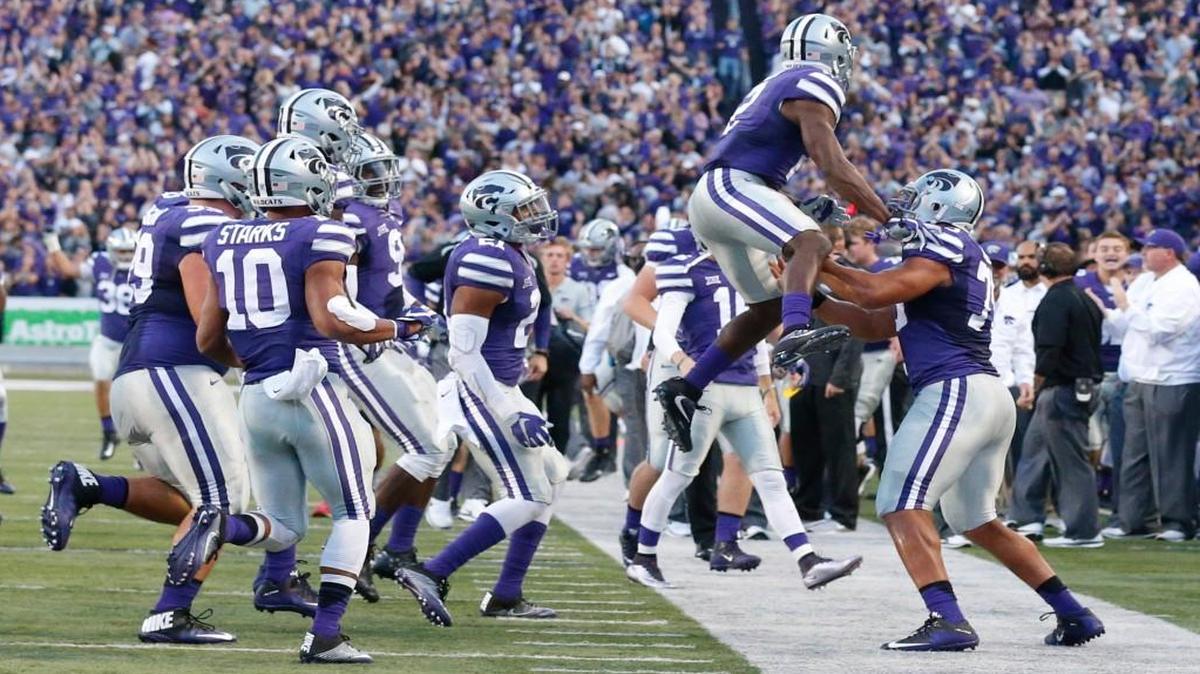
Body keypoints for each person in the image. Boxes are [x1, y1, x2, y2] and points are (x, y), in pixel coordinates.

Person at [39, 135, 318, 644]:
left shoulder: (172, 210)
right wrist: (257, 360)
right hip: (176, 372)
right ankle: (169, 614)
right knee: (220, 503)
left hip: (145, 375)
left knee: (188, 499)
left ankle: (90, 485)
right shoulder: (203, 223)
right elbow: (203, 317)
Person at [816, 169, 1104, 651]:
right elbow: (871, 320)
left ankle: (946, 619)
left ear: (937, 208)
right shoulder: (938, 262)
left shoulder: (946, 243)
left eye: (914, 200)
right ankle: (1074, 613)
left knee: (899, 501)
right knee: (978, 520)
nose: (902, 208)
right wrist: (814, 293)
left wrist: (822, 263)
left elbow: (871, 292)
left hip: (956, 390)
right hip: (981, 394)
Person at [186, 135, 410, 663]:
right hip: (314, 390)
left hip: (257, 395)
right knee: (356, 512)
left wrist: (260, 367)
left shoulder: (223, 238)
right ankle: (326, 634)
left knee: (283, 526)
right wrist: (396, 327)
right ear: (303, 180)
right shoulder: (322, 232)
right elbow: (334, 319)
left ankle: (222, 524)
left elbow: (207, 341)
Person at [655, 13, 891, 452]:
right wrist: (884, 217)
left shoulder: (778, 83)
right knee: (812, 243)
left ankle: (686, 388)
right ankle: (798, 330)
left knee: (766, 309)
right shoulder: (815, 80)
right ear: (831, 52)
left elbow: (767, 156)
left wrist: (801, 206)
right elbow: (831, 163)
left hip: (723, 194)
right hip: (731, 186)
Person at [626, 245, 861, 589]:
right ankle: (643, 558)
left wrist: (766, 385)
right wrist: (682, 362)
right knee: (678, 476)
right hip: (705, 386)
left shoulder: (753, 271)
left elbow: (758, 332)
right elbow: (662, 330)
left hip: (745, 387)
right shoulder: (686, 268)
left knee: (771, 479)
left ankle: (808, 561)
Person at [397, 170, 567, 626]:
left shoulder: (512, 254)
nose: (535, 215)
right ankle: (431, 571)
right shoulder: (485, 259)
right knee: (529, 493)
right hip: (480, 388)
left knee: (549, 481)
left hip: (502, 384)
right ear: (495, 217)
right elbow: (463, 353)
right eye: (524, 209)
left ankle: (507, 593)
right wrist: (509, 410)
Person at [328, 133, 455, 601]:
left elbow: (391, 285)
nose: (381, 179)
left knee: (443, 438)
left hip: (387, 338)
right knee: (426, 446)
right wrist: (387, 324)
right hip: (360, 343)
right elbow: (339, 289)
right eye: (369, 172)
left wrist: (416, 311)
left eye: (383, 168)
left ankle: (398, 548)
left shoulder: (382, 215)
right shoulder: (349, 219)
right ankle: (359, 552)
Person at [620, 218, 763, 568]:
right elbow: (636, 300)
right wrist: (674, 335)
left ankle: (723, 542)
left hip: (730, 360)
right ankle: (632, 529)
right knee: (662, 458)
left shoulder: (749, 239)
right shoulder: (677, 241)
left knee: (738, 452)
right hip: (678, 359)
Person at [1093, 229, 1200, 542]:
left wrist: (1126, 306)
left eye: (1150, 248)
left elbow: (1161, 331)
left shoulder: (1184, 285)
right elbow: (1126, 324)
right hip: (1138, 376)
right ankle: (1132, 519)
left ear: (1169, 252)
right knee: (1133, 453)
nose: (1144, 253)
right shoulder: (1144, 281)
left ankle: (1178, 521)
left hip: (1172, 377)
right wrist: (1107, 311)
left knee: (1171, 454)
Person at [1012, 243, 1104, 548]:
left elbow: (1049, 351)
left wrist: (1034, 390)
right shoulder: (1084, 298)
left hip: (1062, 388)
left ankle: (1084, 531)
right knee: (1034, 451)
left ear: (1045, 269)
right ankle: (1028, 518)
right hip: (1077, 386)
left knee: (1072, 461)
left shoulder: (1055, 301)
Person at [44, 227, 138, 460]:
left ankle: (143, 447)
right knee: (101, 382)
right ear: (111, 249)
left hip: (136, 342)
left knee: (138, 395)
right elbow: (68, 270)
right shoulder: (100, 262)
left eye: (129, 251)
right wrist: (52, 243)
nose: (126, 256)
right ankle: (108, 433)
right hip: (107, 340)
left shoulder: (146, 265)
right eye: (121, 251)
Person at [1073, 233, 1130, 528]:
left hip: (1124, 375)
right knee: (1087, 444)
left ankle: (1120, 509)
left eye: (1117, 249)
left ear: (1127, 254)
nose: (1111, 254)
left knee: (1123, 448)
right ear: (1094, 253)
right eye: (1105, 248)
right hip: (1091, 373)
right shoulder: (1081, 284)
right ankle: (1084, 507)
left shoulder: (1139, 285)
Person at [577, 218, 636, 480]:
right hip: (584, 337)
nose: (590, 254)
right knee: (594, 395)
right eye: (588, 249)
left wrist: (587, 365)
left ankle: (605, 452)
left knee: (610, 397)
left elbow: (602, 325)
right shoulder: (576, 268)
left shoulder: (624, 276)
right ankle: (600, 449)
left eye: (596, 249)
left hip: (613, 345)